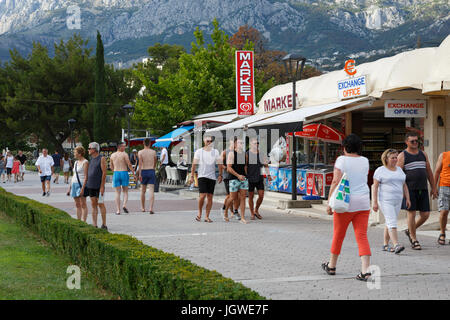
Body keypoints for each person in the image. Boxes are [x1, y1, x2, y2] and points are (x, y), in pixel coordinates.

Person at [322, 134, 372, 281]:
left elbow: (336, 181)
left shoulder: (341, 160)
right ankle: (365, 270)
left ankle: (332, 266)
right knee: (362, 236)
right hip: (363, 202)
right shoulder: (365, 161)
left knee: (338, 235)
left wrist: (329, 202)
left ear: (344, 147)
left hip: (345, 202)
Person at [397, 132, 436, 250]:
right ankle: (414, 239)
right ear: (406, 142)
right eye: (412, 141)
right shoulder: (402, 156)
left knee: (425, 214)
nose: (415, 143)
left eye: (416, 141)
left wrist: (434, 187)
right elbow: (398, 175)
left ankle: (410, 231)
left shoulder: (423, 154)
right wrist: (402, 191)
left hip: (423, 188)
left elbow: (429, 171)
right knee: (412, 213)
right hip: (410, 190)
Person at [372, 149, 411, 254]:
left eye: (396, 157)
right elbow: (375, 187)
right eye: (392, 157)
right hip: (385, 200)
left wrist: (407, 198)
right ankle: (396, 244)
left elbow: (404, 185)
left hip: (397, 200)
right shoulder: (380, 170)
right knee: (392, 221)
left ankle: (385, 244)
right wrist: (374, 202)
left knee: (389, 222)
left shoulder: (399, 170)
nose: (395, 159)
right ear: (386, 159)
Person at [189, 135, 223, 223]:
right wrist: (192, 176)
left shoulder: (215, 152)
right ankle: (199, 213)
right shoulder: (199, 152)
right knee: (202, 195)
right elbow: (194, 164)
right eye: (207, 141)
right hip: (202, 176)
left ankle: (207, 216)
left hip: (212, 177)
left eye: (210, 141)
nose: (209, 143)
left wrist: (220, 175)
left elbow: (219, 164)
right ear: (204, 141)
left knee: (210, 197)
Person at [225, 137, 249, 224]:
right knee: (232, 198)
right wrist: (238, 175)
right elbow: (228, 168)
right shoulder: (231, 154)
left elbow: (245, 166)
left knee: (243, 198)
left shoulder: (245, 154)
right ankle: (225, 212)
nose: (241, 144)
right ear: (235, 144)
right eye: (239, 143)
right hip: (234, 178)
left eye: (242, 143)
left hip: (243, 178)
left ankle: (242, 217)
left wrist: (246, 176)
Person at [246, 137, 271, 220]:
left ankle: (256, 210)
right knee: (251, 196)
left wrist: (268, 175)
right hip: (250, 177)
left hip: (259, 177)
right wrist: (246, 176)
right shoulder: (247, 154)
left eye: (257, 143)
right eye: (254, 143)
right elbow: (245, 166)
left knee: (261, 195)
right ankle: (252, 213)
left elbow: (266, 164)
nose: (256, 145)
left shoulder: (261, 154)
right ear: (250, 144)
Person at [85, 142, 108, 230]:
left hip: (99, 186)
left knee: (101, 204)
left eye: (89, 148)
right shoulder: (91, 159)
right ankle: (94, 224)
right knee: (93, 205)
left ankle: (104, 224)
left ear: (94, 149)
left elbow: (104, 172)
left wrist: (102, 186)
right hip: (91, 185)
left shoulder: (101, 158)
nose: (88, 150)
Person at [110, 142, 136, 215]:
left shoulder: (112, 155)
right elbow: (129, 164)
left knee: (117, 193)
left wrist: (114, 171)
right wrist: (133, 173)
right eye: (123, 146)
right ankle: (124, 205)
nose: (125, 148)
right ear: (119, 147)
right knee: (125, 191)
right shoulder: (124, 154)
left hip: (116, 173)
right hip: (124, 172)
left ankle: (118, 210)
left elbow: (111, 166)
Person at [67, 146, 89, 222]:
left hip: (81, 184)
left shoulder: (85, 162)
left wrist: (83, 188)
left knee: (83, 204)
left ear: (79, 154)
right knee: (77, 204)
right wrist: (69, 188)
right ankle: (78, 220)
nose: (74, 154)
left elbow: (86, 176)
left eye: (75, 152)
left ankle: (84, 221)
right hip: (74, 184)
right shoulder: (76, 162)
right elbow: (74, 175)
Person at [433, 150, 450, 245]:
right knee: (444, 211)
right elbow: (437, 171)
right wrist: (434, 187)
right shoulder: (443, 155)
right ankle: (442, 233)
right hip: (444, 186)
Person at [220, 137, 240, 220]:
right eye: (233, 142)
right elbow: (220, 163)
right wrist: (225, 169)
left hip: (235, 176)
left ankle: (233, 211)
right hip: (227, 176)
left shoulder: (238, 152)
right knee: (230, 195)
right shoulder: (225, 152)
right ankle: (225, 209)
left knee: (236, 196)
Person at [137, 138, 157, 214]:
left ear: (143, 143)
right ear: (150, 143)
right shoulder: (153, 152)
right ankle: (151, 208)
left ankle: (142, 208)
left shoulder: (140, 152)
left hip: (143, 171)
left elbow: (140, 163)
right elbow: (155, 161)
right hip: (151, 170)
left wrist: (139, 174)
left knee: (143, 190)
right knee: (151, 190)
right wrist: (153, 168)